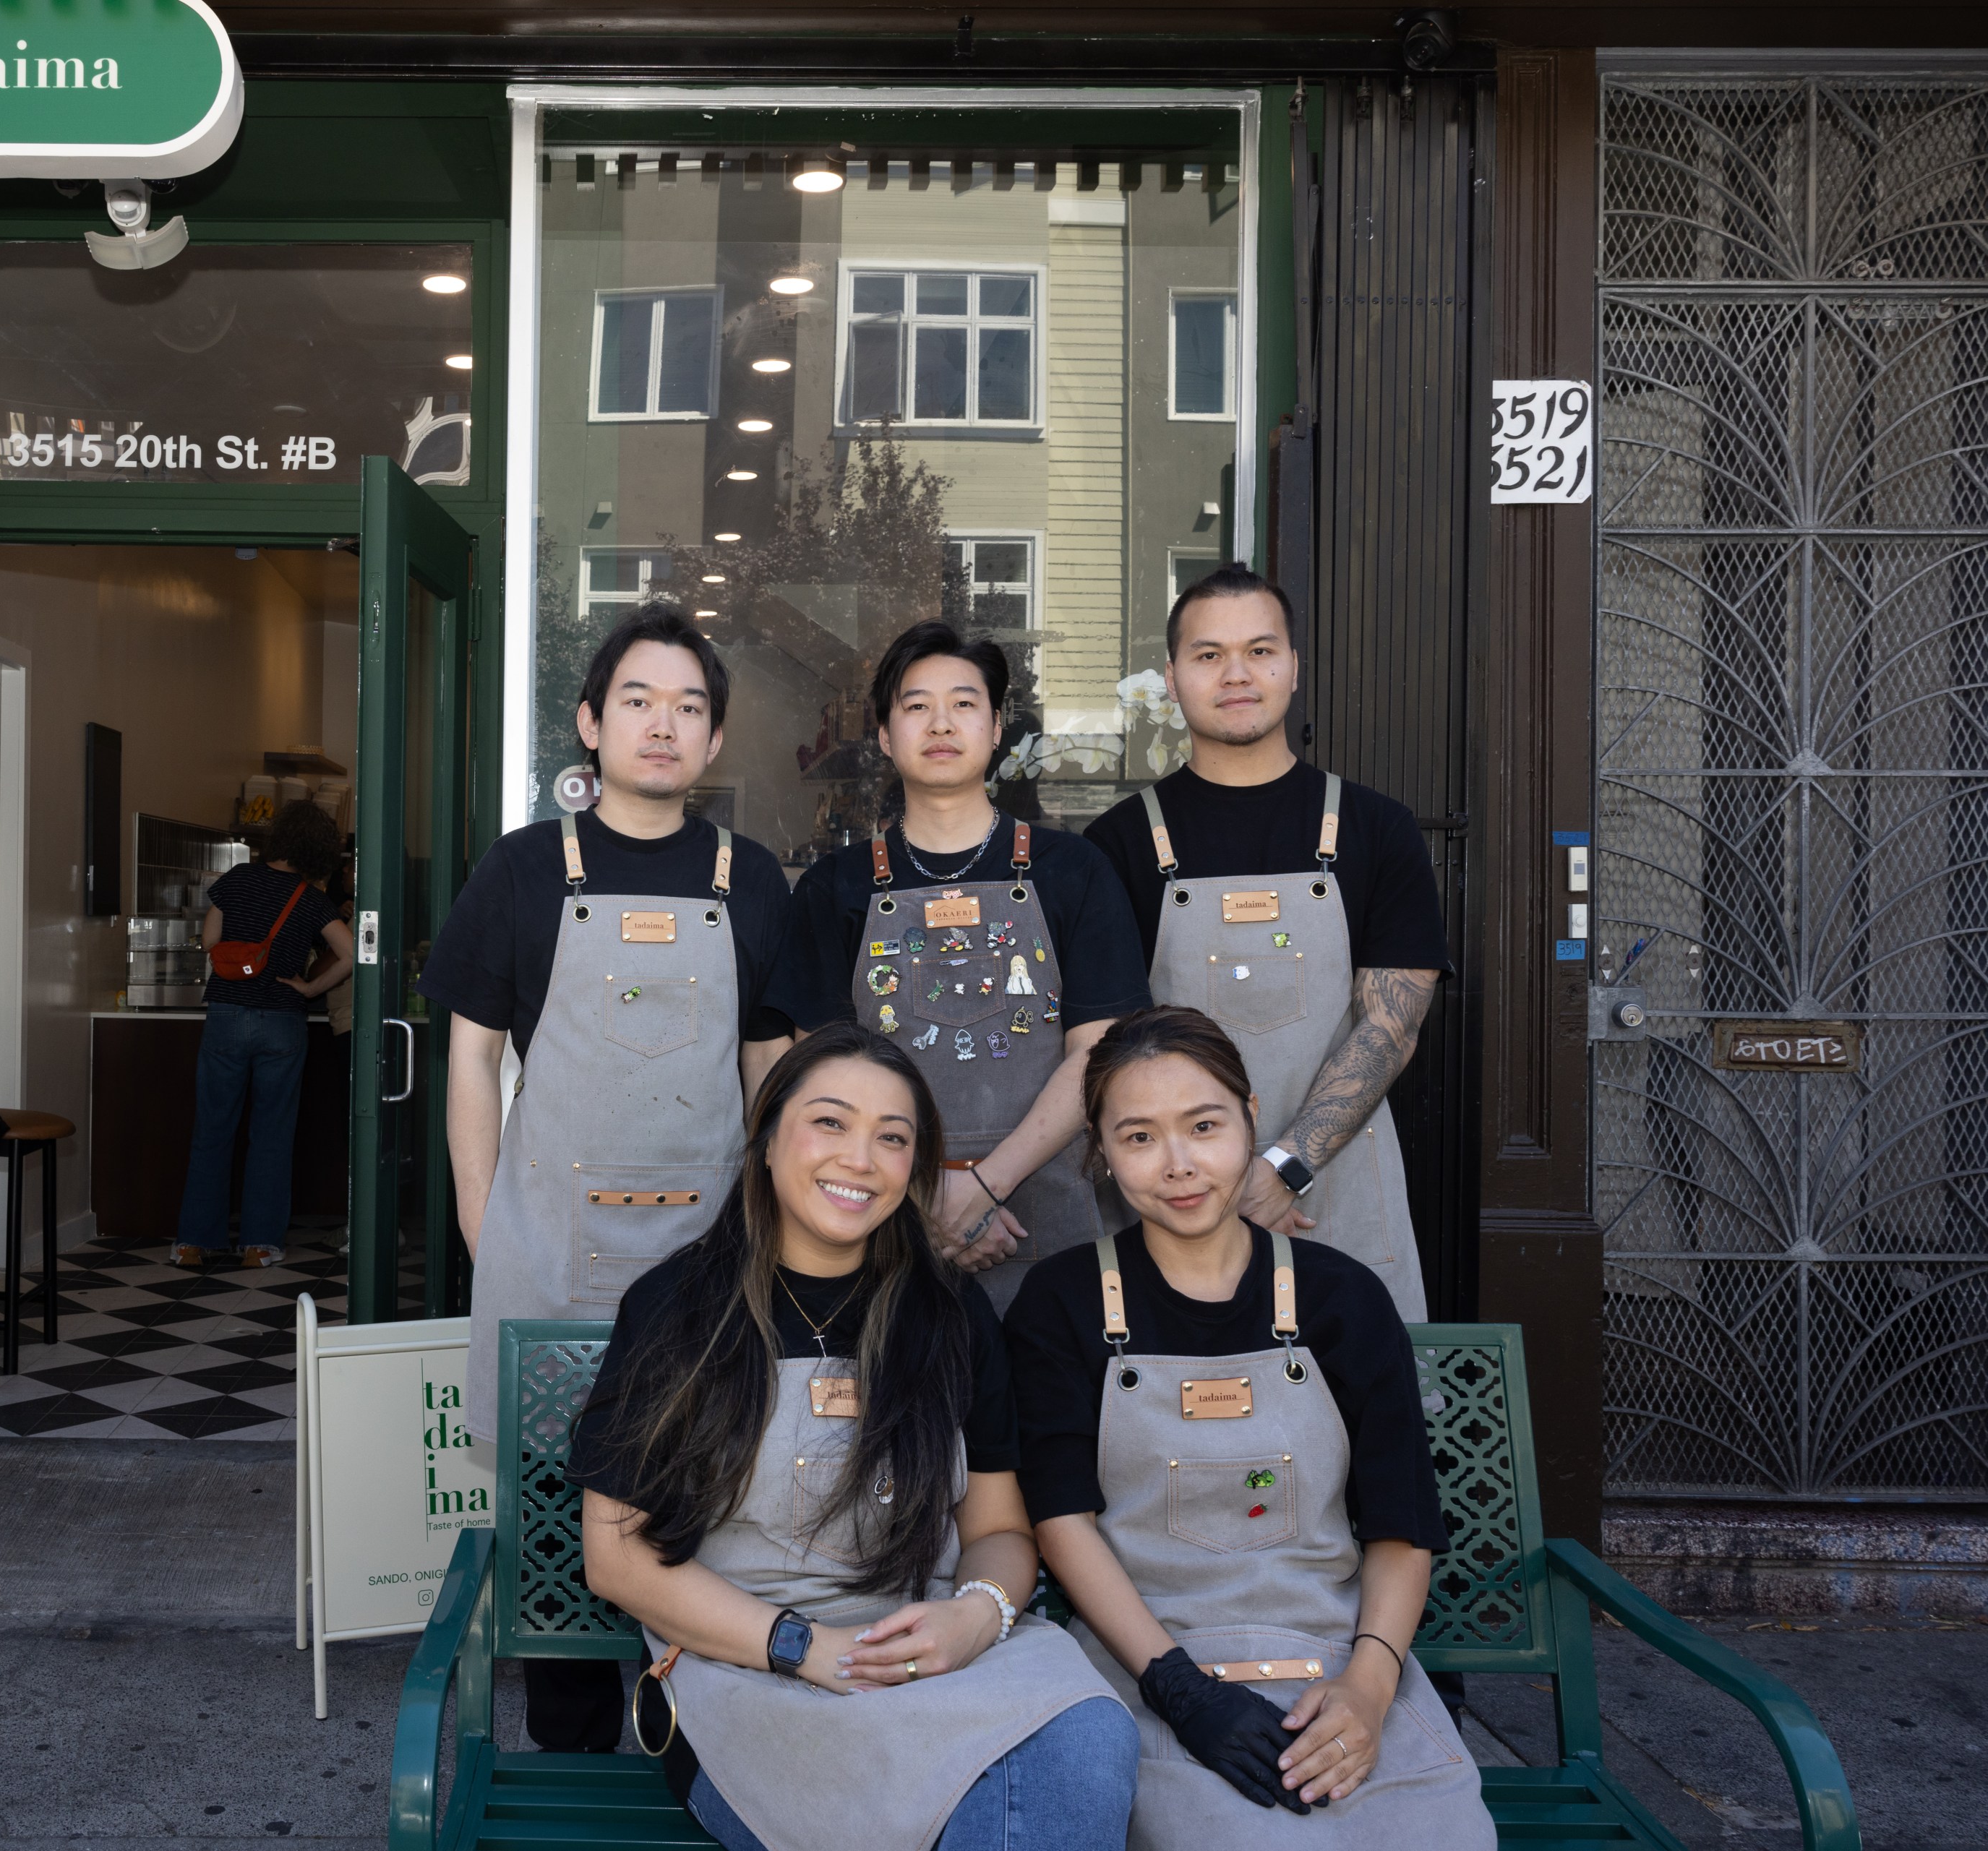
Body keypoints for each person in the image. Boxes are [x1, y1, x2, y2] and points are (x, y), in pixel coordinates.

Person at [572, 1022, 1137, 1851]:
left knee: (1088, 1740)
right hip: (747, 1674)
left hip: (933, 1654)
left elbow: (1000, 1531)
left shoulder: (948, 1312)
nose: (861, 1158)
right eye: (830, 1122)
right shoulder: (678, 1306)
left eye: (893, 1137)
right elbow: (615, 1557)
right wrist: (801, 1645)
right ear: (767, 1139)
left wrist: (973, 1618)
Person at [420, 601, 794, 1753]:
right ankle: (571, 1747)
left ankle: (704, 1758)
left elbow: (775, 1080)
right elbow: (473, 1060)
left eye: (689, 706)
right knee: (553, 1522)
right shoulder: (525, 871)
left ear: (716, 738)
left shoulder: (755, 879)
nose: (663, 725)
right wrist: (493, 1229)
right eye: (638, 700)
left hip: (708, 1270)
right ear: (590, 722)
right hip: (553, 1256)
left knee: (712, 1510)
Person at [1004, 1005, 1491, 1847]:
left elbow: (1402, 1518)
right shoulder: (1062, 1302)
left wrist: (1370, 1688)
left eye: (1204, 1125)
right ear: (1103, 1151)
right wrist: (1178, 1687)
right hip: (1143, 1668)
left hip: (1338, 1660)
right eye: (1140, 1137)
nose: (1180, 1164)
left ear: (1251, 1118)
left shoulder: (1343, 1298)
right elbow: (1058, 1518)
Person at [1083, 567, 1450, 1323]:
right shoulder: (1115, 845)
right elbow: (1106, 1045)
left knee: (1365, 1407)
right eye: (1209, 654)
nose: (1237, 673)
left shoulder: (1378, 830)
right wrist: (1208, 1181)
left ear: (1293, 666)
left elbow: (1393, 1025)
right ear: (1172, 678)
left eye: (1260, 649)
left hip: (1337, 1191)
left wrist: (1287, 1165)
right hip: (1171, 1198)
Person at [773, 621, 1152, 1312]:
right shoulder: (835, 888)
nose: (940, 722)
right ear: (885, 736)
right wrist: (926, 1201)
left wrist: (982, 1187)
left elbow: (1100, 1053)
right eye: (916, 706)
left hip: (1053, 1230)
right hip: (888, 1231)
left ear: (998, 726)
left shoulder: (1073, 871)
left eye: (964, 703)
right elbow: (820, 1078)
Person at [171, 799, 354, 1270]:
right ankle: (260, 1244)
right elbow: (353, 952)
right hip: (282, 1021)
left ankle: (193, 1241)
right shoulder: (311, 899)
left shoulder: (233, 881)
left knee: (212, 1130)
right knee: (272, 1134)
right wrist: (311, 984)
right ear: (316, 848)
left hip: (228, 1015)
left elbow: (212, 943)